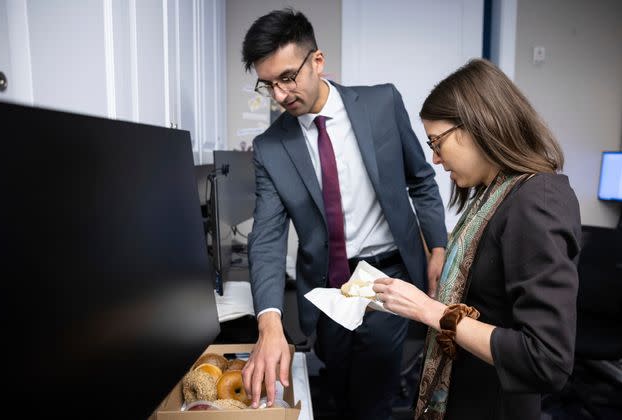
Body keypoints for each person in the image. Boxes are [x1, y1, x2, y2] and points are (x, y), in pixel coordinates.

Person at [240, 8, 447, 419]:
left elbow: (421, 180)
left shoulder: (382, 103)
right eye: (268, 85)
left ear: (317, 61)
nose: (280, 96)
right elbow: (266, 237)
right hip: (327, 289)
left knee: (373, 397)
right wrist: (268, 322)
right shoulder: (269, 147)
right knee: (336, 391)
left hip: (387, 276)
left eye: (287, 78)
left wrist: (438, 246)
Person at [373, 58, 582, 420]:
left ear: (476, 126)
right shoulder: (492, 195)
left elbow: (545, 359)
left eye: (437, 142)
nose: (435, 159)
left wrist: (430, 310)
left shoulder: (538, 200)